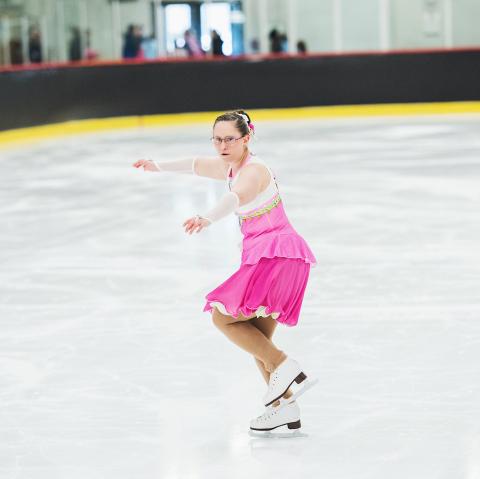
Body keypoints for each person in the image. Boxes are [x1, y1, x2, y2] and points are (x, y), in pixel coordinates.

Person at [132, 110, 317, 433]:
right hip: (277, 258)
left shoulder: (253, 171)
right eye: (217, 139)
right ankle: (285, 406)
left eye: (229, 138)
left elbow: (236, 197)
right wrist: (156, 165)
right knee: (258, 339)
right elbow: (194, 164)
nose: (222, 145)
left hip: (274, 255)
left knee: (222, 317)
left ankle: (286, 365)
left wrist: (207, 218)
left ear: (246, 138)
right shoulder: (230, 166)